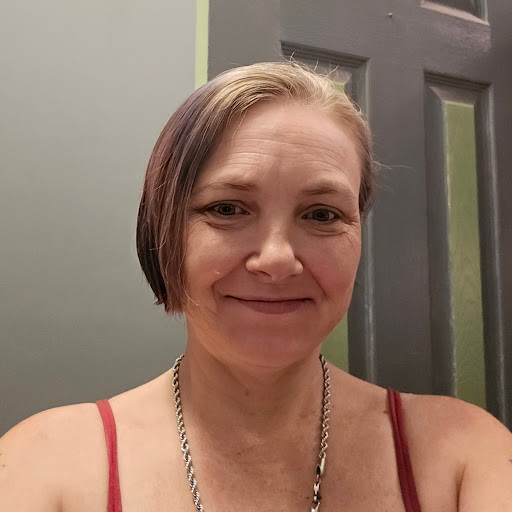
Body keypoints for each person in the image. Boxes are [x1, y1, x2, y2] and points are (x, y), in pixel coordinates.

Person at [1, 61, 511, 512]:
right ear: (165, 230)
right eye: (227, 209)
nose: (277, 260)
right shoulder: (45, 466)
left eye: (321, 214)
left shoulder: (465, 458)